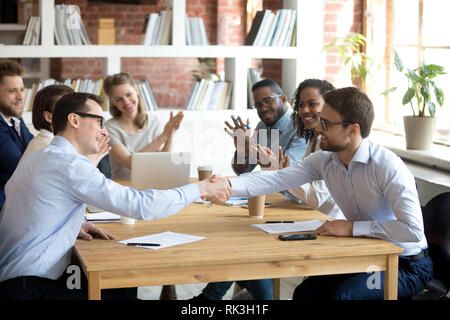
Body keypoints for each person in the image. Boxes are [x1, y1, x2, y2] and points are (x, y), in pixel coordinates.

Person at [0, 92, 231, 300]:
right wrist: (200, 189)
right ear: (75, 120)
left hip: (16, 279)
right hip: (32, 289)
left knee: (120, 285)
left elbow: (32, 205)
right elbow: (141, 206)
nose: (104, 131)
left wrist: (71, 223)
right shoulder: (68, 165)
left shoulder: (39, 156)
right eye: (99, 121)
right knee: (118, 284)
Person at [221, 87, 433, 300]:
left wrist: (352, 227)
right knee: (306, 292)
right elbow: (277, 179)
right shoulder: (326, 160)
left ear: (353, 130)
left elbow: (413, 231)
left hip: (405, 265)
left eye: (327, 124)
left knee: (343, 296)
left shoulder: (386, 166)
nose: (318, 128)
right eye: (321, 120)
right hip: (366, 254)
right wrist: (223, 186)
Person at [193, 79, 308, 301]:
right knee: (240, 239)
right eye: (257, 105)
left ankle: (210, 298)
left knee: (244, 244)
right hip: (273, 202)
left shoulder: (298, 127)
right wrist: (241, 147)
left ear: (283, 99)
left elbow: (287, 172)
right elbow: (242, 169)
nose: (262, 108)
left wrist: (260, 156)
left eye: (267, 101)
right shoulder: (264, 127)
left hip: (297, 204)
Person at [258, 79, 344, 219]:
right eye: (301, 105)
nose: (304, 110)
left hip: (333, 220)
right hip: (316, 219)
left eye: (312, 104)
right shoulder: (313, 141)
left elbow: (316, 198)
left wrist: (282, 173)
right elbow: (302, 184)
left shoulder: (331, 146)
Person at [104, 72, 184, 180]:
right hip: (123, 188)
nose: (126, 102)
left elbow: (163, 163)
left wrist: (170, 134)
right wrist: (163, 136)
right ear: (112, 102)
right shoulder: (109, 128)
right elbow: (131, 164)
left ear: (136, 91)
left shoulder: (154, 121)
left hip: (152, 183)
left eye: (128, 94)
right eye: (119, 99)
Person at [0, 60, 33, 210]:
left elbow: (37, 151)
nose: (20, 97)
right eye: (12, 91)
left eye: (22, 89)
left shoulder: (15, 119)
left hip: (18, 206)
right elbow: (22, 167)